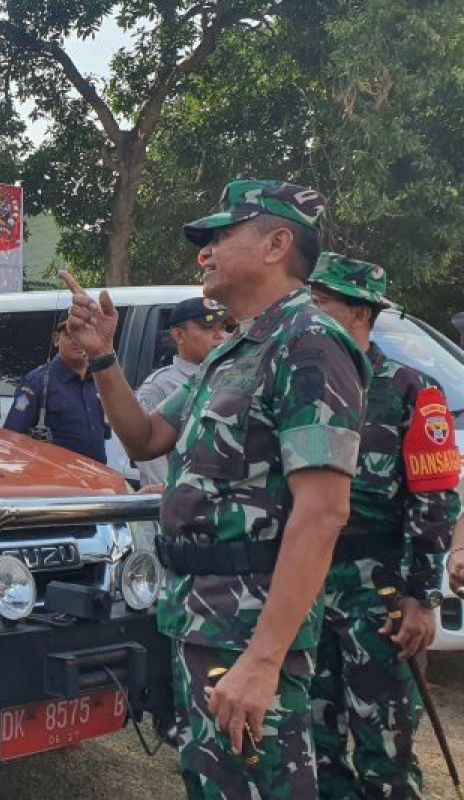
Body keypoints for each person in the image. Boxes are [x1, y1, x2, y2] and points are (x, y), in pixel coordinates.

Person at [61, 180, 369, 799]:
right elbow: (147, 436)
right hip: (199, 619)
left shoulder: (308, 345)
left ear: (278, 243)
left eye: (222, 236)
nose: (205, 251)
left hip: (250, 631)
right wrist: (103, 358)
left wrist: (263, 659)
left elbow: (323, 512)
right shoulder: (235, 351)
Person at [306, 254, 460, 799]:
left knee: (384, 748)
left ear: (358, 312)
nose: (310, 312)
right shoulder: (305, 385)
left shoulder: (411, 390)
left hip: (381, 593)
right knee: (314, 741)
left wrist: (422, 598)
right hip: (304, 586)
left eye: (320, 303)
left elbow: (436, 498)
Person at [135, 297, 229, 486]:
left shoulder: (231, 375)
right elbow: (151, 463)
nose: (220, 336)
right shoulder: (159, 386)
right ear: (178, 335)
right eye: (208, 328)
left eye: (224, 327)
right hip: (186, 502)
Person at [3, 316, 110, 462]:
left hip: (96, 477)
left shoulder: (99, 382)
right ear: (56, 339)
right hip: (58, 479)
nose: (78, 341)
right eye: (70, 335)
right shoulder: (38, 382)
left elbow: (103, 434)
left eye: (83, 334)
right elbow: (13, 437)